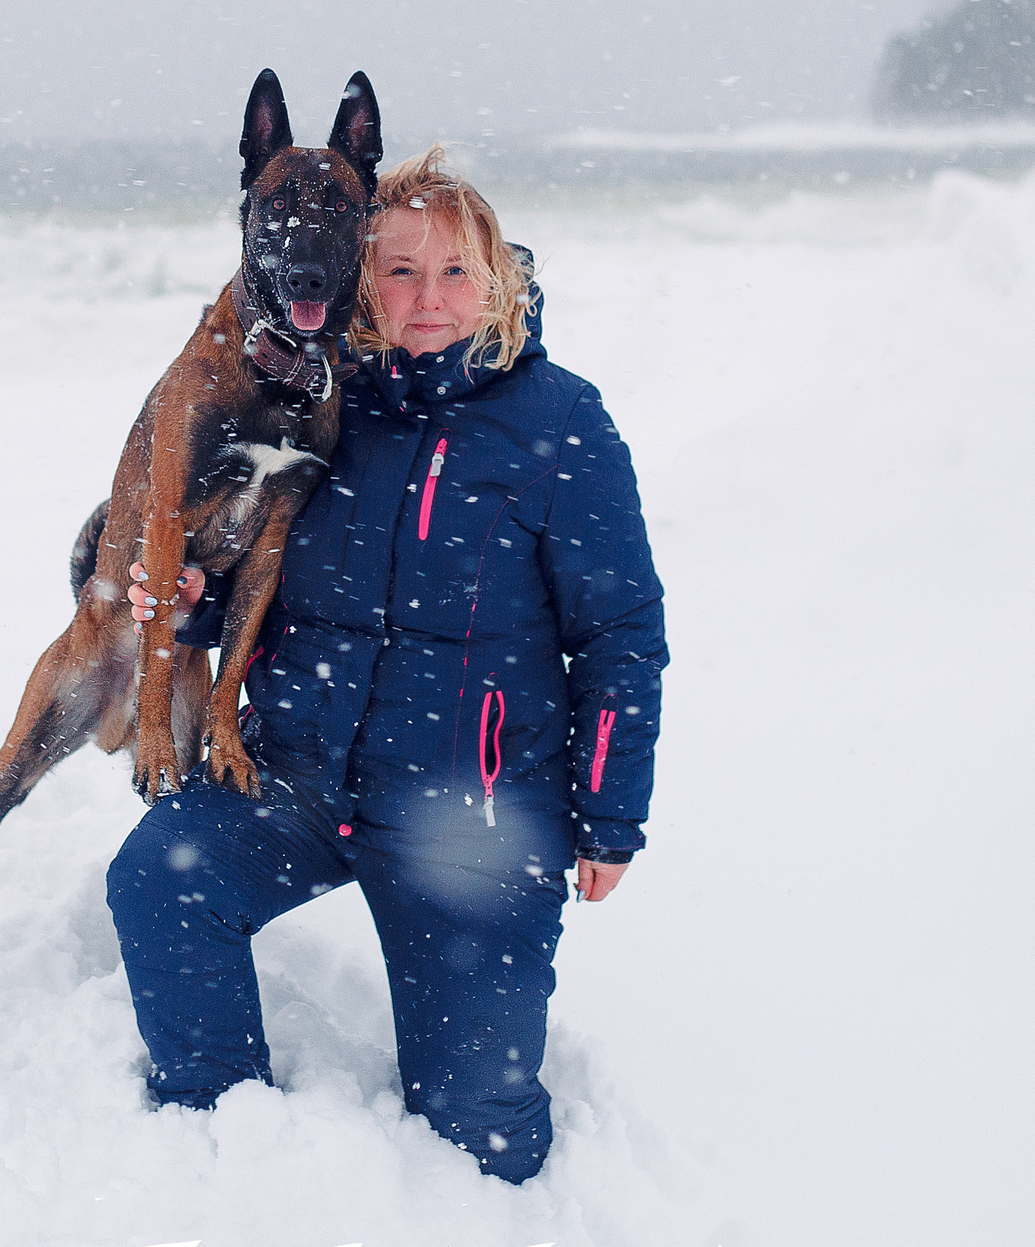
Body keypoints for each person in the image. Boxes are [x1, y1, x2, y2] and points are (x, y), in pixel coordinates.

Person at [106, 145, 668, 1183]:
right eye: (399, 269)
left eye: (455, 271)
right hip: (301, 773)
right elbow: (247, 566)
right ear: (360, 279)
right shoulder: (327, 404)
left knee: (477, 1131)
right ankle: (222, 1137)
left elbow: (620, 636)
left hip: (473, 813)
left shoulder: (560, 424)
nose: (427, 297)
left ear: (499, 279)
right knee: (159, 882)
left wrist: (610, 812)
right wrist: (188, 607)